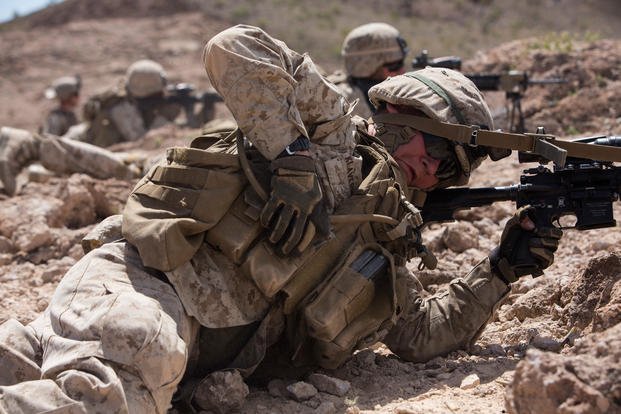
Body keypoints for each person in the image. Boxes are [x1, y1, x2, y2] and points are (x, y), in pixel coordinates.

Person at [0, 25, 562, 413]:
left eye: (452, 173)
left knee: (37, 360)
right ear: (399, 116)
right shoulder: (332, 134)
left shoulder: (385, 243)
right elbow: (233, 46)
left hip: (182, 347)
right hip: (144, 282)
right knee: (130, 362)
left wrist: (501, 270)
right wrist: (293, 163)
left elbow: (420, 332)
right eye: (440, 156)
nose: (437, 176)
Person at [0, 60, 181, 196]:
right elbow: (139, 138)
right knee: (53, 159)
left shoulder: (128, 99)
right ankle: (23, 141)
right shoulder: (123, 108)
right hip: (83, 141)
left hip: (88, 139)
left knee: (46, 168)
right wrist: (164, 119)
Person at [328, 22, 408, 119]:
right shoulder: (338, 103)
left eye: (402, 63)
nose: (403, 71)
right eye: (395, 66)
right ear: (367, 66)